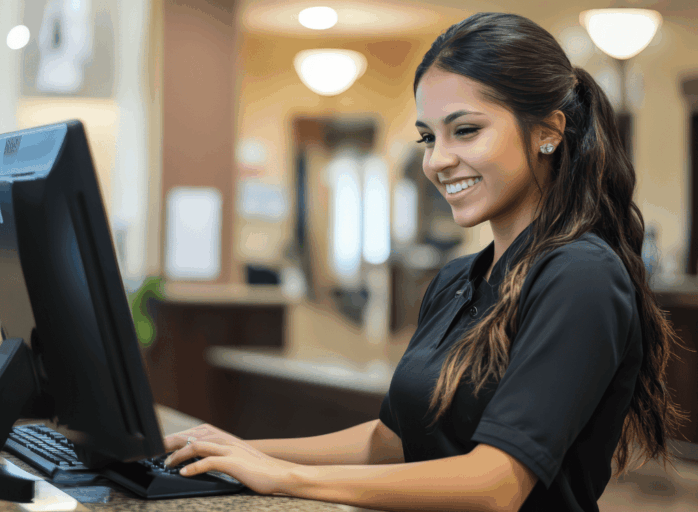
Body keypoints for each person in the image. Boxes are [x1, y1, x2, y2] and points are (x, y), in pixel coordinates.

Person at [162, 12, 689, 512]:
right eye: (428, 137)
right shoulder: (459, 280)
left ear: (548, 131)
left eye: (465, 130)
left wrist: (285, 477)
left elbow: (496, 485)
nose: (437, 160)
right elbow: (390, 441)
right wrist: (235, 449)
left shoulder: (580, 276)